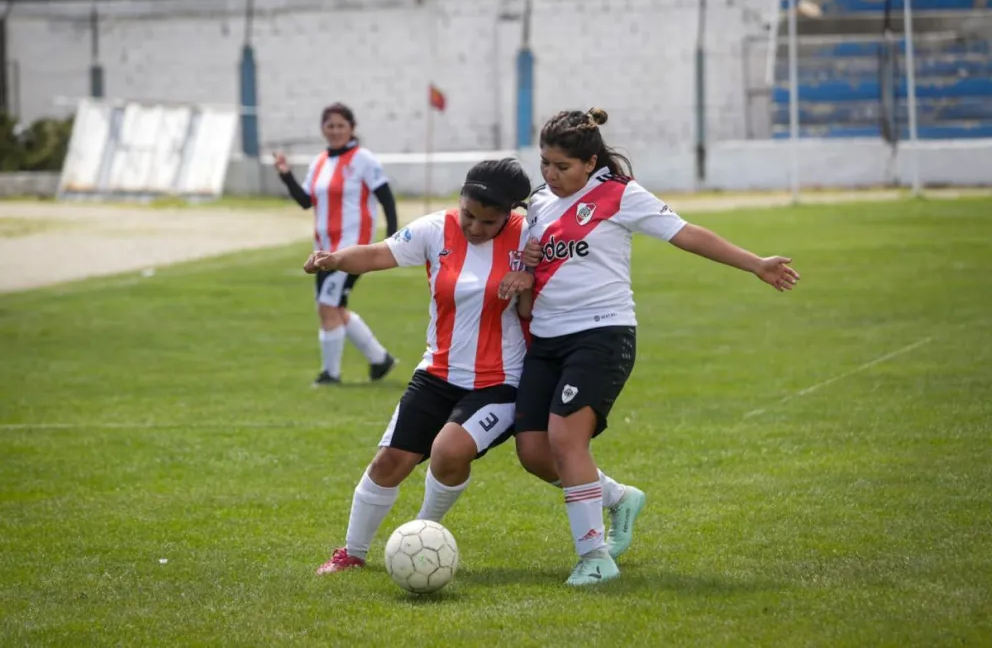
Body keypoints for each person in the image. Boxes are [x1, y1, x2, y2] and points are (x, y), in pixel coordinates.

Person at [500, 107, 800, 586]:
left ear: (590, 162)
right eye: (545, 164)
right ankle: (619, 498)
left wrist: (755, 263)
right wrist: (526, 264)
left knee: (565, 440)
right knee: (534, 453)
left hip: (602, 334)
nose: (551, 176)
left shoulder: (619, 195)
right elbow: (528, 262)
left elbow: (688, 234)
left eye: (562, 166)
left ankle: (595, 558)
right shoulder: (537, 203)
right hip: (546, 339)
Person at [303, 159, 641, 575]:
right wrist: (334, 259)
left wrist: (529, 281)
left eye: (488, 220)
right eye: (468, 214)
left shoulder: (532, 237)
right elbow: (376, 254)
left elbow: (559, 287)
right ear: (459, 201)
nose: (475, 227)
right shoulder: (434, 230)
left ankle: (422, 532)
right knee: (389, 462)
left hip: (502, 381)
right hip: (437, 373)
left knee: (449, 450)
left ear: (510, 214)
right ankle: (351, 553)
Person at [274, 102, 398, 386]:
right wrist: (285, 174)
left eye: (341, 125)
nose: (335, 130)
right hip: (323, 248)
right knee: (334, 306)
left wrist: (391, 238)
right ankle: (380, 360)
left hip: (352, 247)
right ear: (322, 129)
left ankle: (330, 374)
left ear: (352, 128)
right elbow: (306, 201)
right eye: (330, 125)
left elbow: (386, 197)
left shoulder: (363, 158)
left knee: (327, 306)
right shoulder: (319, 162)